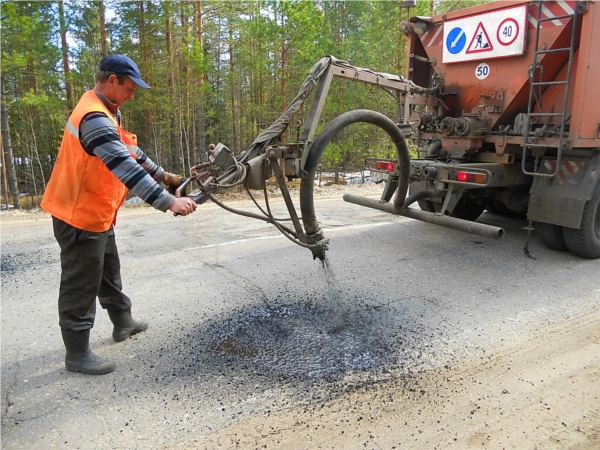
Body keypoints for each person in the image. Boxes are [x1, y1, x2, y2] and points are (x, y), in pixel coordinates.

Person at [41, 54, 197, 375]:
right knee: (82, 281)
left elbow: (131, 151)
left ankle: (122, 322)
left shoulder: (109, 111)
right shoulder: (93, 117)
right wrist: (168, 201)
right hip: (77, 214)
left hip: (97, 210)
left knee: (107, 269)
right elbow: (123, 166)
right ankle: (77, 353)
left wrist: (166, 177)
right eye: (129, 87)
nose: (133, 94)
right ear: (112, 81)